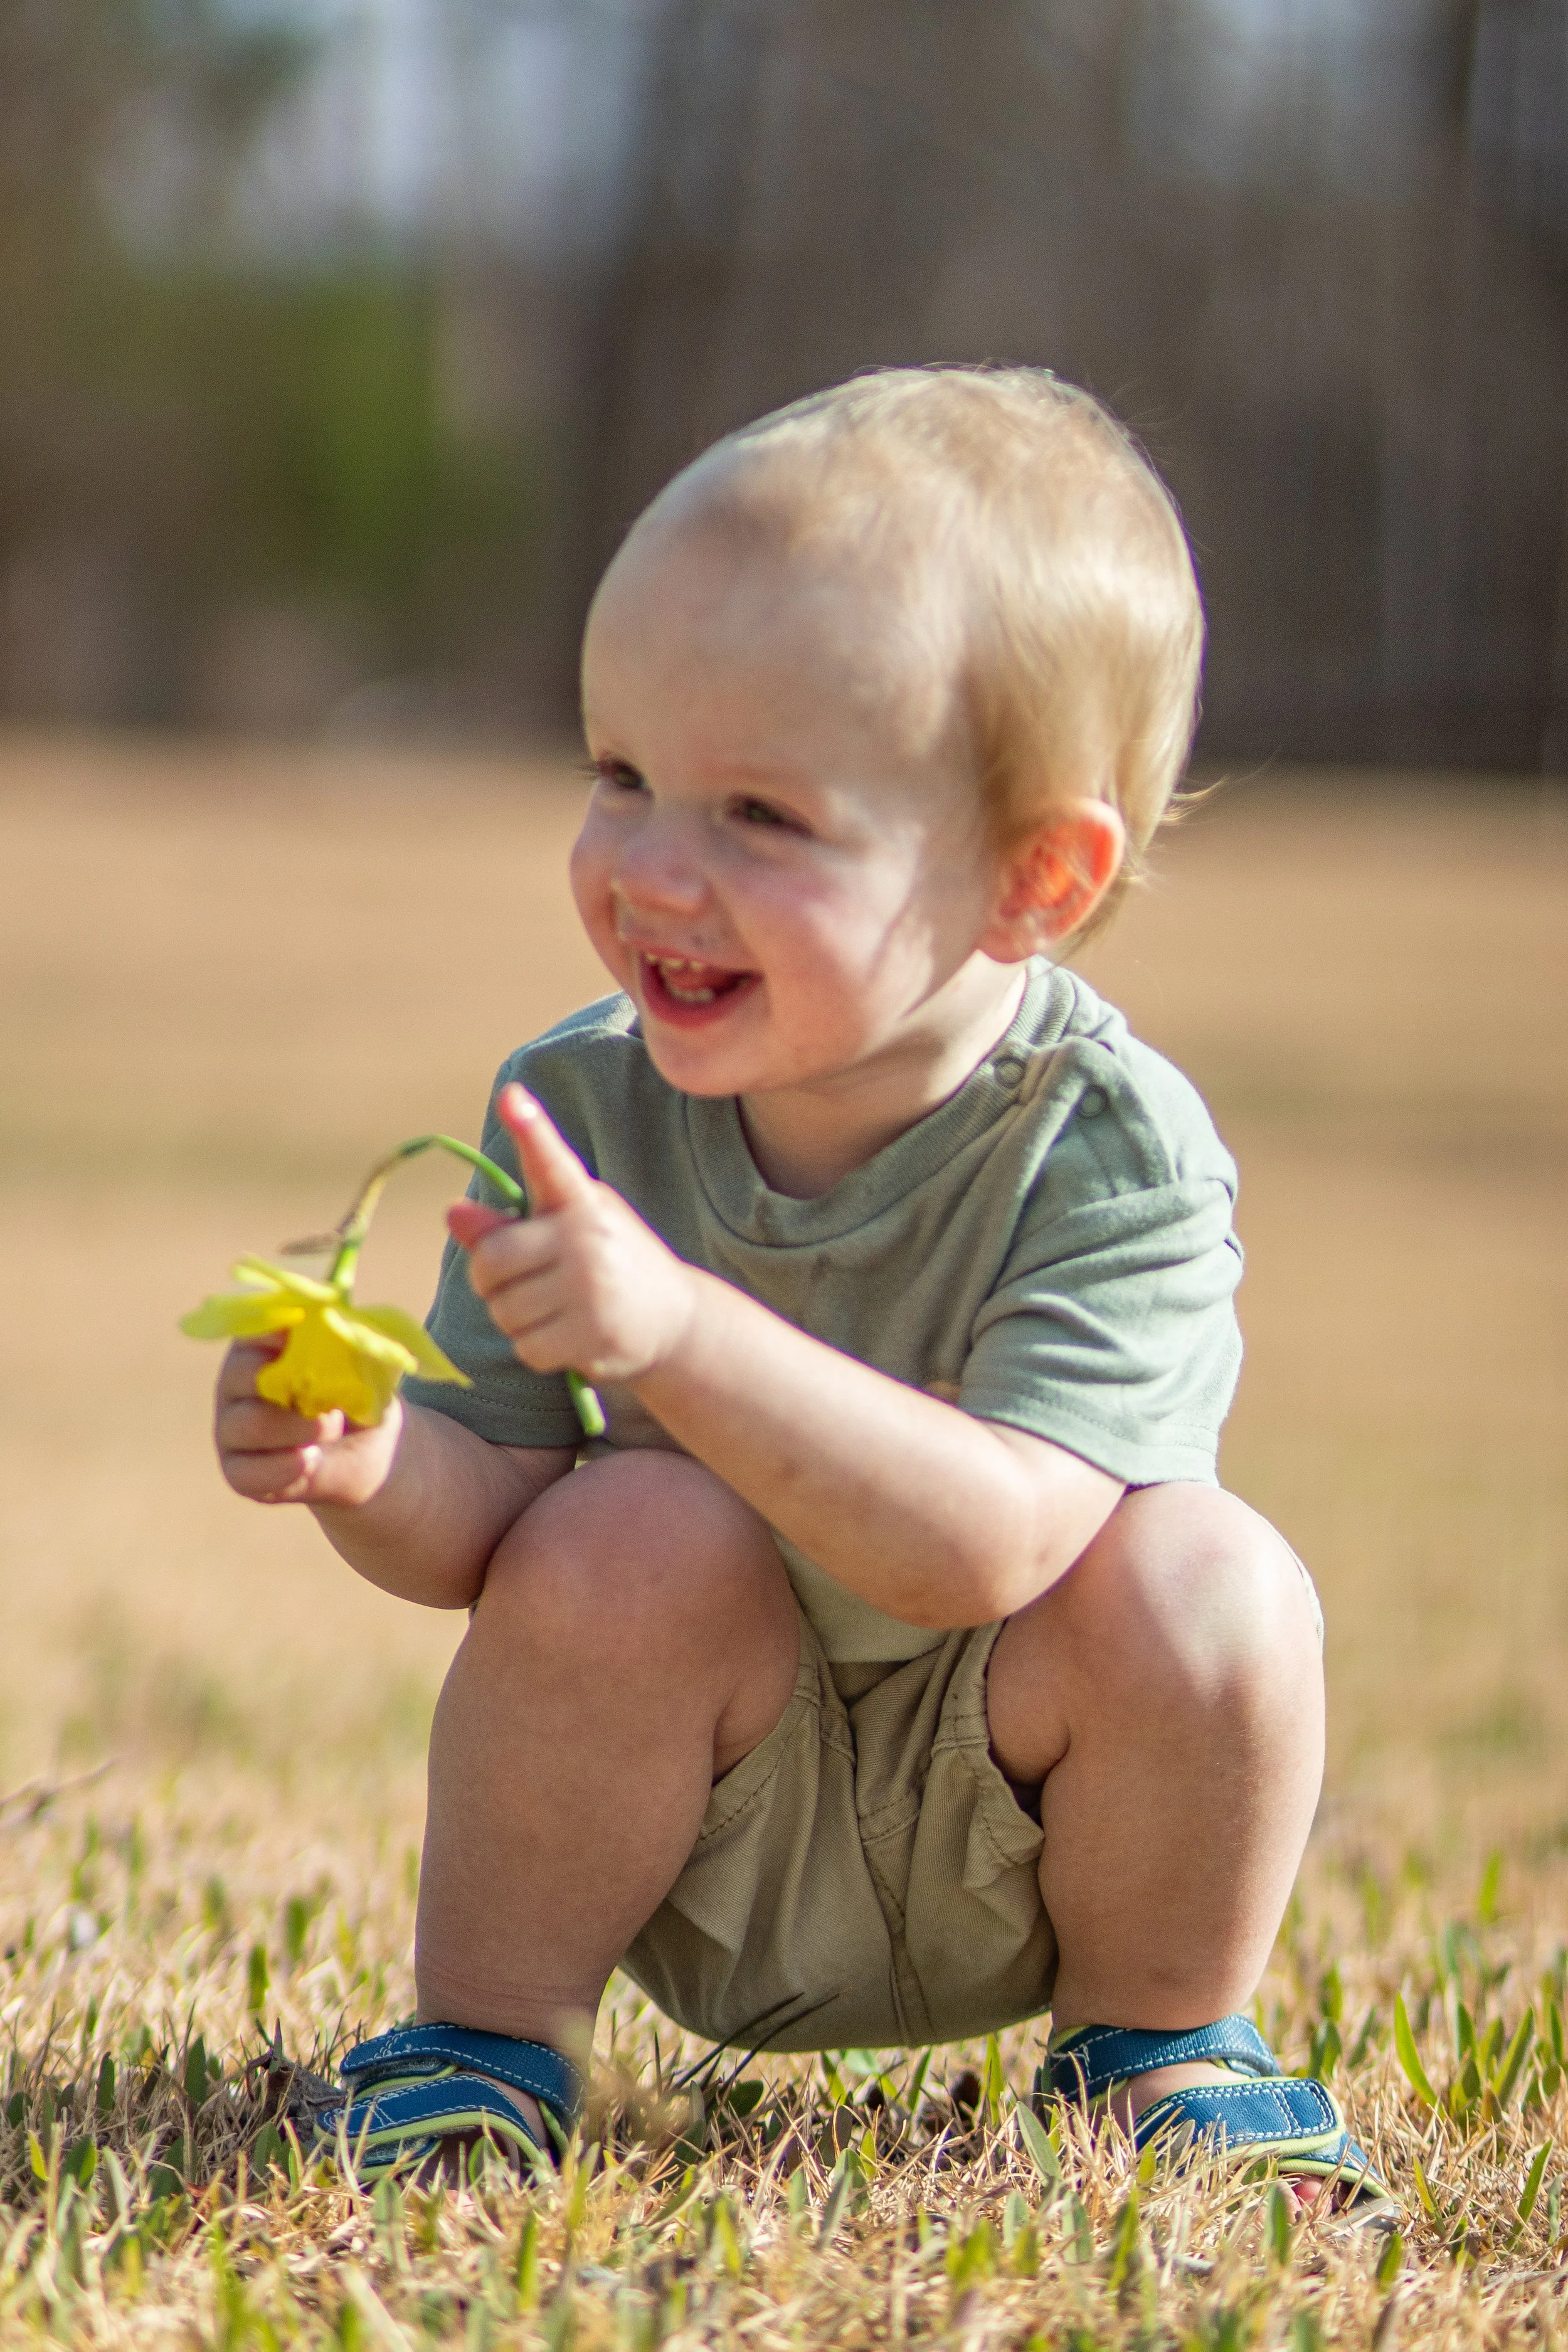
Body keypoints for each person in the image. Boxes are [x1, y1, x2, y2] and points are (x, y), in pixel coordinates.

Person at [210, 366, 1381, 2203]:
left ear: (1030, 879)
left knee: (1209, 1577)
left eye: (759, 814)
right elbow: (482, 1528)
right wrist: (366, 1462)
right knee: (615, 1532)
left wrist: (675, 1331)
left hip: (1019, 1806)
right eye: (620, 777)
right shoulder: (587, 1102)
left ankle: (1157, 2043)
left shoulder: (1107, 1148)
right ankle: (486, 2037)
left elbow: (988, 1546)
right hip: (692, 1810)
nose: (649, 869)